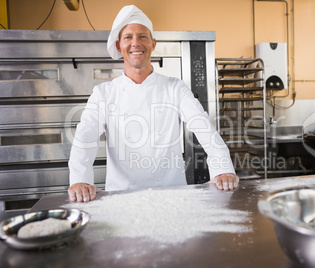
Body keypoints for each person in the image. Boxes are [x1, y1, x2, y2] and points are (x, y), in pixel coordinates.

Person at [68, 5, 239, 203]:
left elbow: (205, 129)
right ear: (118, 46)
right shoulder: (103, 94)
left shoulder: (175, 88)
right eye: (128, 37)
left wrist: (223, 169)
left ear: (153, 43)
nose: (135, 43)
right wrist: (80, 180)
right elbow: (84, 137)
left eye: (142, 36)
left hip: (172, 198)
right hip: (122, 200)